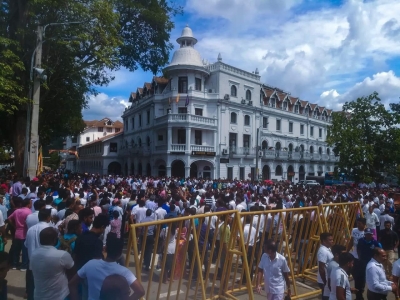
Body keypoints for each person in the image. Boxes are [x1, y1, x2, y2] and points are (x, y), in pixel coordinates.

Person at [69, 234, 145, 300]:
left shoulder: (91, 264)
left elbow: (72, 283)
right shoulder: (124, 272)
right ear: (120, 253)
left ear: (105, 249)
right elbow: (140, 291)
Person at [30, 227, 75, 300]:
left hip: (39, 296)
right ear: (55, 240)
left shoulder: (33, 255)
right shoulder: (62, 255)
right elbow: (72, 273)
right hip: (60, 296)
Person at [24, 209, 51, 300]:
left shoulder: (31, 229)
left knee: (32, 288)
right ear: (48, 217)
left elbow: (26, 245)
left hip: (32, 263)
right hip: (45, 264)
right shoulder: (50, 229)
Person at [357, 228, 382, 300]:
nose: (368, 236)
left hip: (372, 263)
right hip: (363, 262)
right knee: (361, 279)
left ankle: (376, 293)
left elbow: (380, 251)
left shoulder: (375, 242)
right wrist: (359, 258)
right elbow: (358, 250)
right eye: (367, 234)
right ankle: (359, 295)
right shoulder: (361, 241)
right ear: (365, 234)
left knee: (374, 278)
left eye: (370, 234)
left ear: (372, 235)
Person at [8, 198, 32, 270]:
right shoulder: (28, 212)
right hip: (24, 233)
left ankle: (15, 264)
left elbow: (9, 218)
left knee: (16, 250)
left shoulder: (17, 211)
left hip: (17, 232)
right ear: (28, 204)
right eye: (30, 203)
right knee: (24, 251)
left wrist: (14, 226)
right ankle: (24, 266)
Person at [348, 217, 366, 300]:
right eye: (357, 223)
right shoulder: (354, 230)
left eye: (360, 223)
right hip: (354, 256)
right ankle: (358, 293)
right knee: (355, 275)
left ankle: (360, 292)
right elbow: (351, 241)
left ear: (364, 224)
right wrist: (346, 250)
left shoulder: (367, 232)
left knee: (361, 277)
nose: (358, 225)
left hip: (363, 258)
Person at [317, 232, 334, 300]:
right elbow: (321, 268)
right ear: (324, 241)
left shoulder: (328, 249)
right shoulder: (323, 251)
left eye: (332, 239)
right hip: (324, 280)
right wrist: (325, 282)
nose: (332, 241)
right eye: (330, 240)